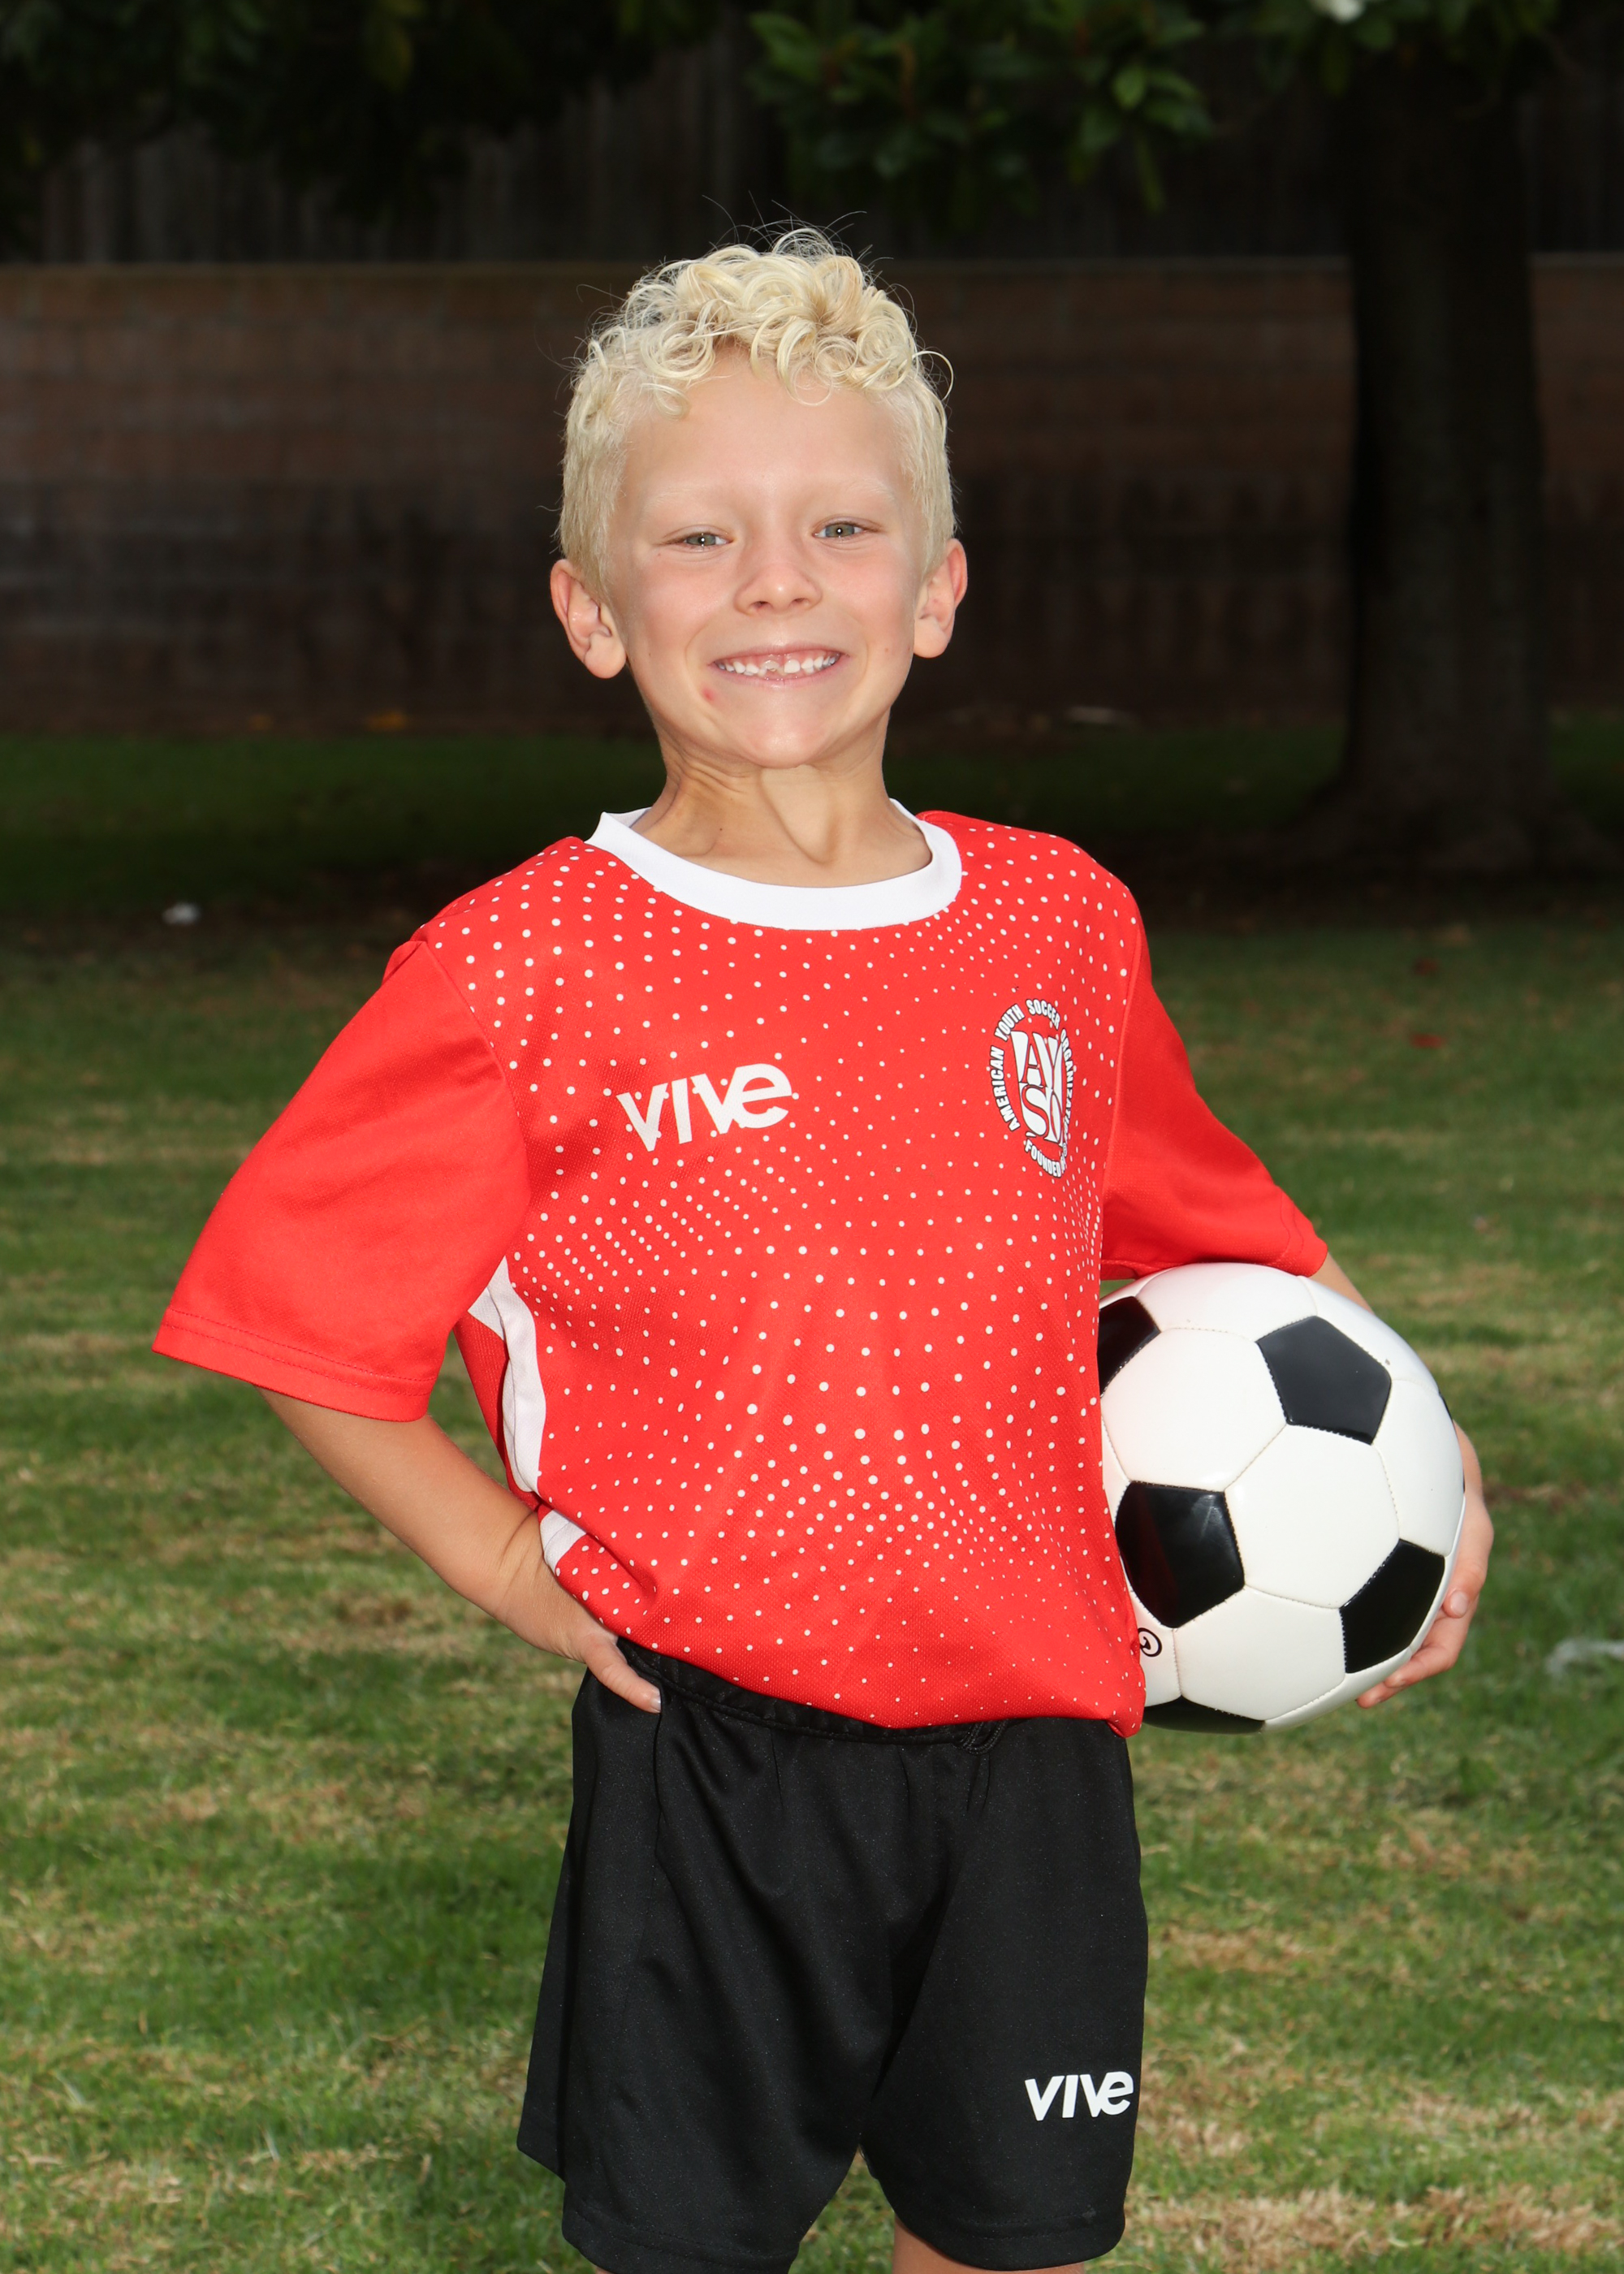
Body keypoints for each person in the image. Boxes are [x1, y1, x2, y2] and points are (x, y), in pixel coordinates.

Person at [154, 233, 1492, 2274]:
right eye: (699, 536)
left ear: (935, 587)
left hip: (1036, 1741)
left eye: (841, 527)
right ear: (593, 611)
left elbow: (1221, 1241)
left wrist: (1427, 1461)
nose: (774, 582)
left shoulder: (1056, 925)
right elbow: (297, 1325)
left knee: (1014, 2238)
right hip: (717, 1750)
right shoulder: (523, 966)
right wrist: (503, 1562)